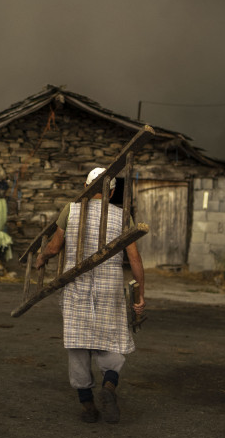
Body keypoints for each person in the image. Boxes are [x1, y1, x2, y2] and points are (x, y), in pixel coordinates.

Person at [33, 167, 146, 424]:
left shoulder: (71, 210)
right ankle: (108, 387)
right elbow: (135, 258)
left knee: (78, 345)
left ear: (86, 186)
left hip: (76, 287)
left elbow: (54, 246)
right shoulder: (121, 216)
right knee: (112, 340)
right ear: (112, 191)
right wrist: (141, 294)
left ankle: (87, 406)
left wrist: (42, 257)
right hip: (110, 287)